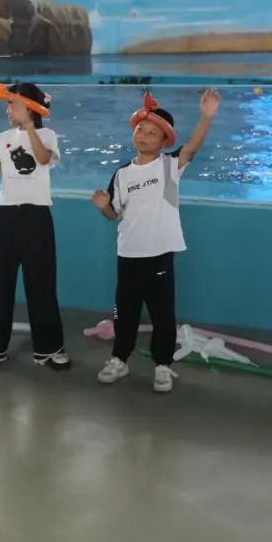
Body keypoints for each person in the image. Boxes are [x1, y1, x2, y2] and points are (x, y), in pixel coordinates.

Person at [91, 89, 220, 393]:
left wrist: (206, 117)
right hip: (128, 255)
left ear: (164, 141)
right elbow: (114, 215)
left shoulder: (169, 167)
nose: (144, 136)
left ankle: (163, 365)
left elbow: (192, 147)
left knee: (163, 315)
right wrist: (103, 207)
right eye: (140, 129)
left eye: (152, 133)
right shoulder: (121, 174)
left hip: (159, 255)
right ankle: (119, 359)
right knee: (124, 313)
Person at [0, 80, 70, 369]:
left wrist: (29, 127)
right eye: (7, 104)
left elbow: (42, 159)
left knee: (41, 282)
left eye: (13, 104)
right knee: (0, 281)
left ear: (31, 107)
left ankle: (50, 347)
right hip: (7, 215)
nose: (8, 109)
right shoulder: (2, 138)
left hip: (37, 215)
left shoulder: (47, 135)